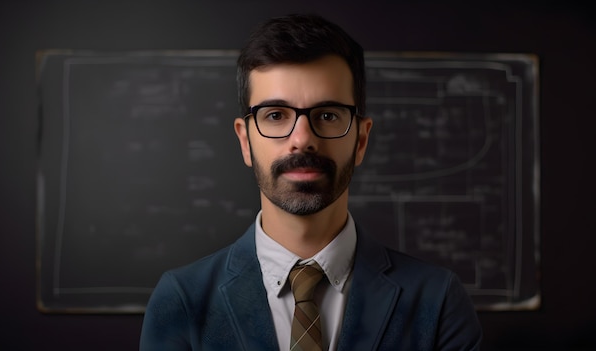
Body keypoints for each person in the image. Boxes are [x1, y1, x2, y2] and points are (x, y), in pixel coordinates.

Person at [140, 13, 482, 351]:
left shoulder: (437, 301)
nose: (302, 139)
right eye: (275, 115)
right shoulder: (182, 300)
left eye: (328, 115)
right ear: (245, 141)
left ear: (361, 140)